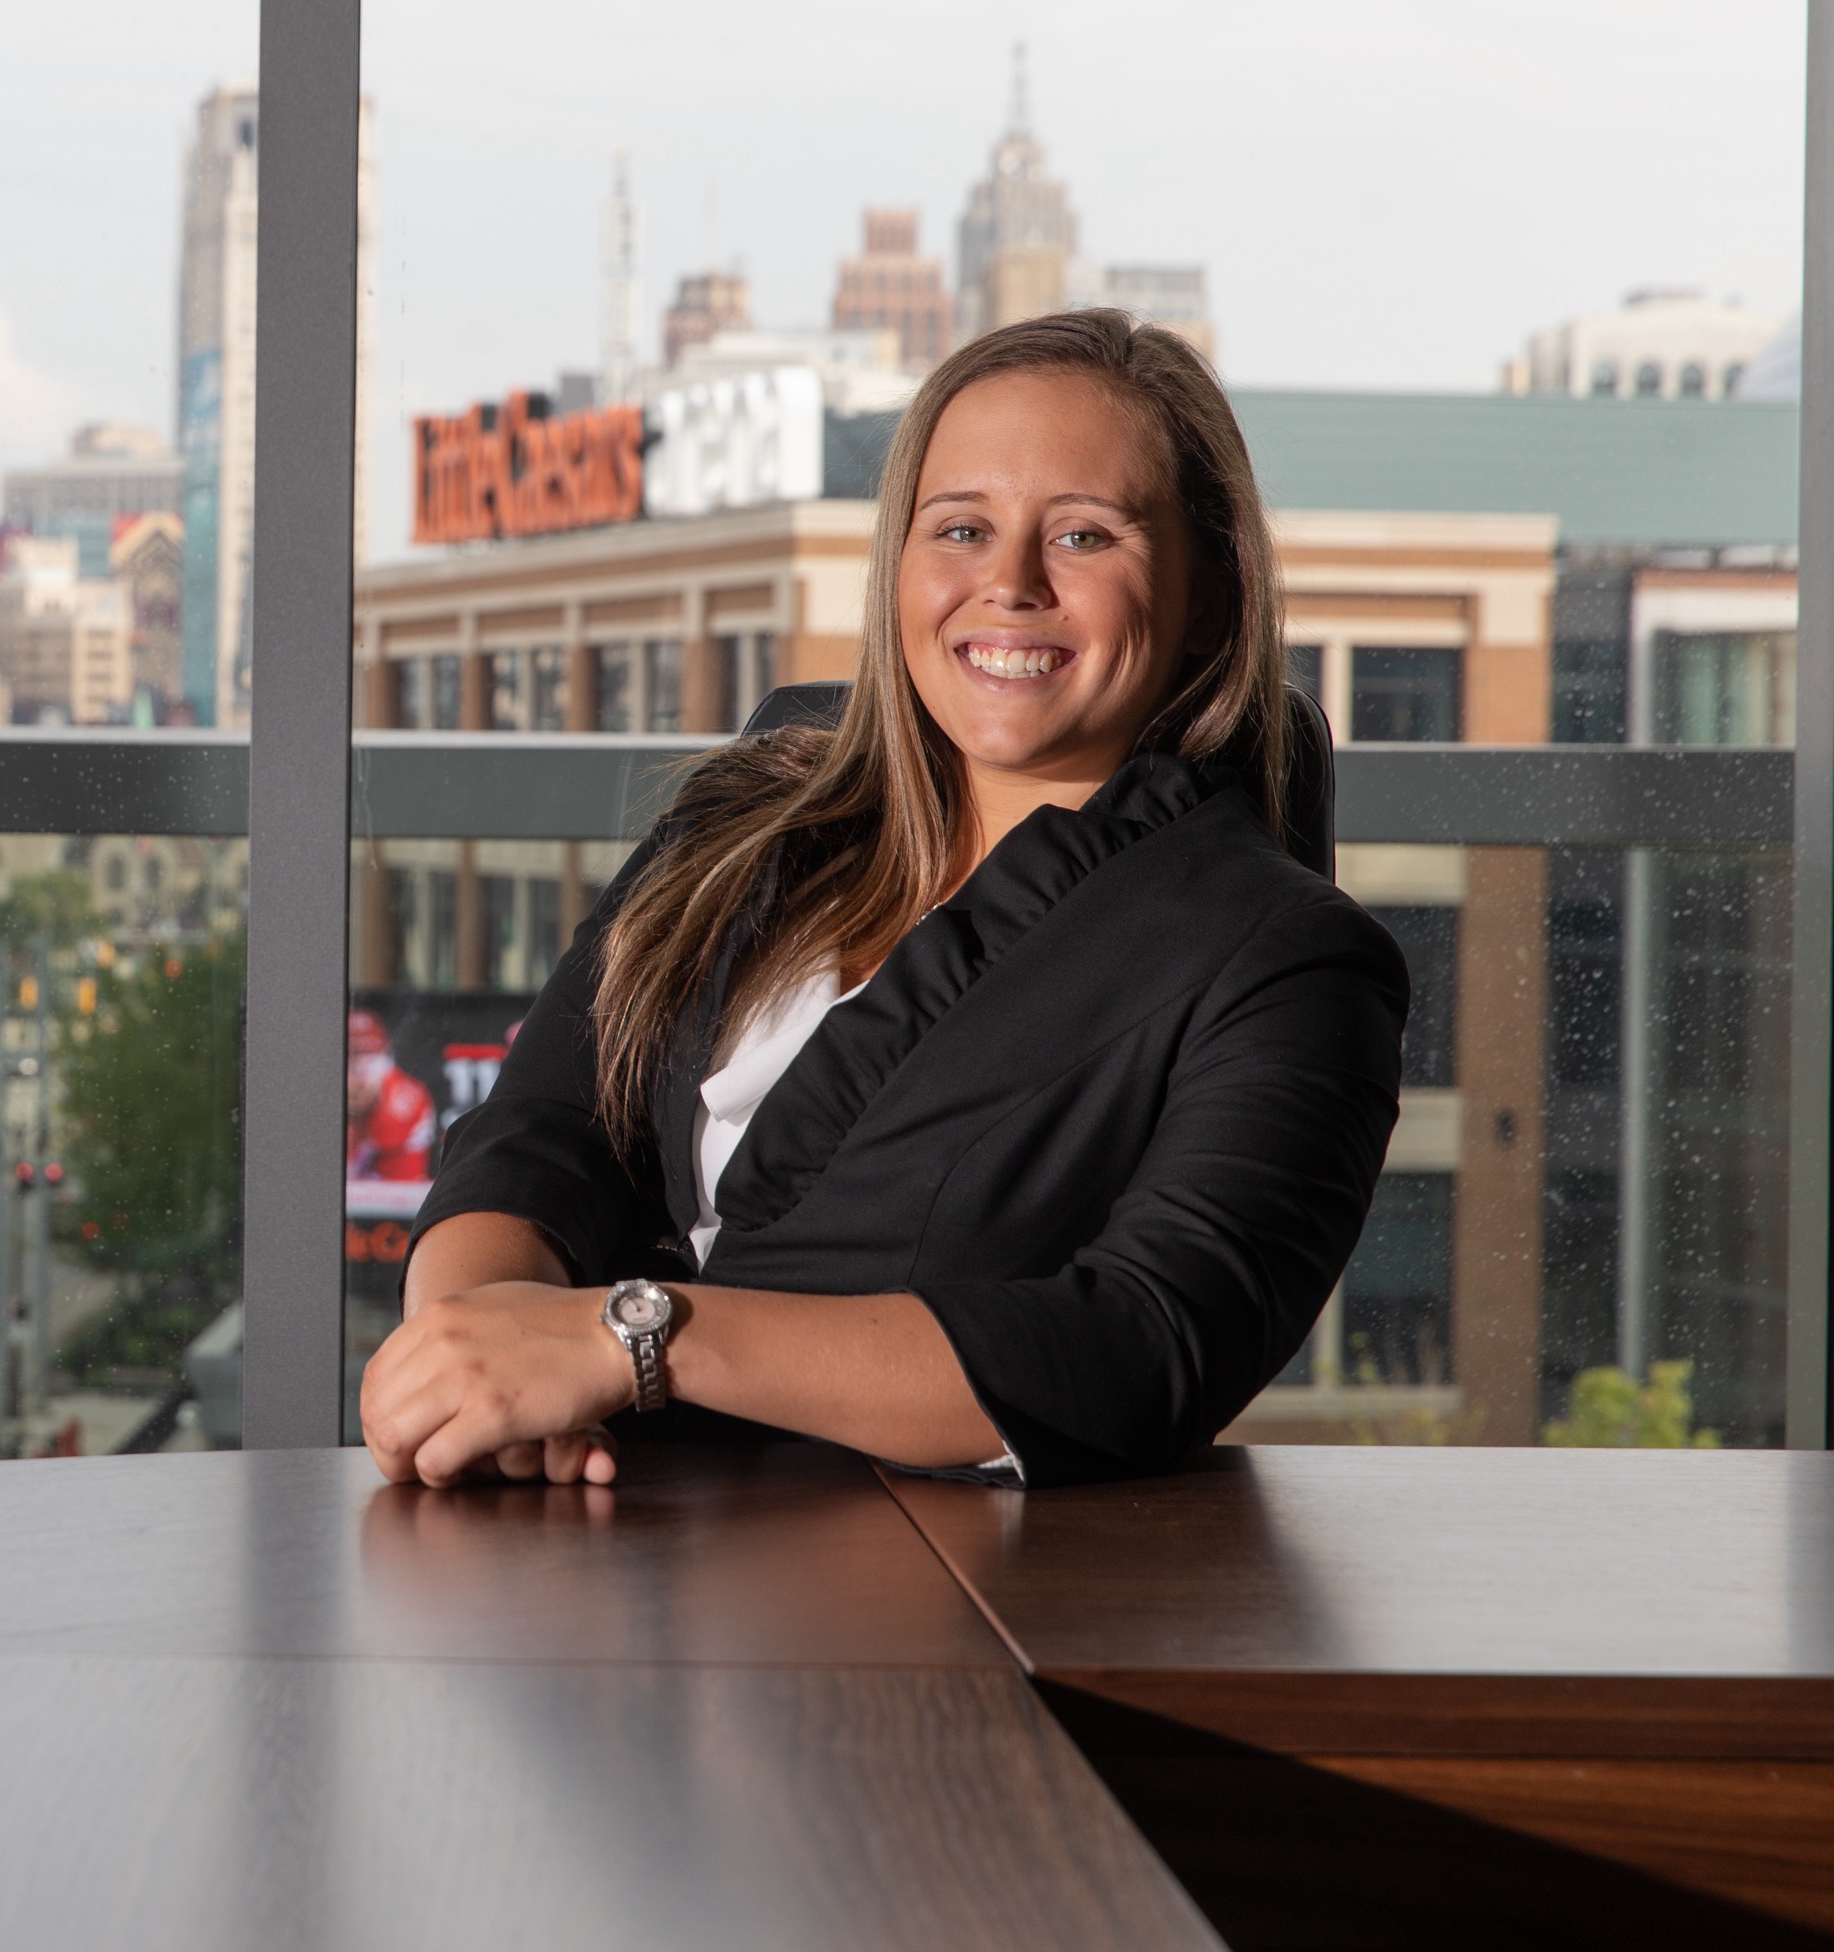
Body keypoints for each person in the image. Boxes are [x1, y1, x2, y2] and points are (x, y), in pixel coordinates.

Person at [363, 309, 1406, 1492]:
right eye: (960, 527)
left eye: (1081, 535)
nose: (1007, 585)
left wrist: (631, 1340)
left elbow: (1144, 1345)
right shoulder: (761, 797)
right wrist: (474, 1361)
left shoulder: (1289, 960)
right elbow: (547, 1124)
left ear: (1211, 593)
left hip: (928, 1603)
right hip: (572, 1541)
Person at [344, 1008, 437, 1181]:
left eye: (368, 1053)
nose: (361, 1067)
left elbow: (386, 1136)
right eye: (354, 1054)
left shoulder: (406, 1093)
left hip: (395, 1191)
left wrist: (367, 1107)